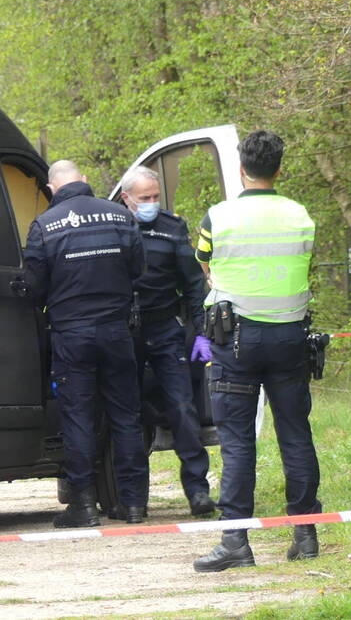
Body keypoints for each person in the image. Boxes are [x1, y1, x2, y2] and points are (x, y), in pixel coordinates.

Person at [191, 130, 322, 572]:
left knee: (237, 441)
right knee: (295, 434)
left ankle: (235, 541)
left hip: (236, 341)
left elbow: (204, 263)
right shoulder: (300, 215)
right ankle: (305, 534)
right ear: (279, 169)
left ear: (241, 169)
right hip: (290, 339)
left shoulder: (219, 216)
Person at [23, 159, 151, 527]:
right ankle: (133, 505)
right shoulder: (120, 216)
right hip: (116, 331)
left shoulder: (45, 226)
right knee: (126, 417)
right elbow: (137, 269)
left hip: (72, 335)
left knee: (78, 417)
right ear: (84, 181)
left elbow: (33, 285)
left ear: (52, 190)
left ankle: (84, 505)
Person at [118, 166, 215, 517]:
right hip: (125, 331)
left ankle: (197, 490)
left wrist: (202, 331)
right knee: (127, 413)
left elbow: (192, 284)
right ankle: (131, 499)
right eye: (145, 199)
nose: (152, 204)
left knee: (182, 408)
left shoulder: (172, 228)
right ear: (126, 199)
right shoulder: (115, 226)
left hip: (164, 328)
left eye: (156, 197)